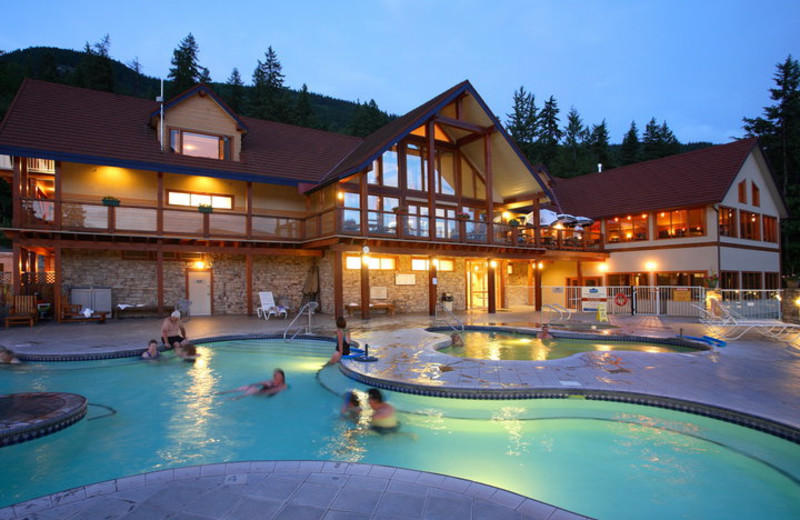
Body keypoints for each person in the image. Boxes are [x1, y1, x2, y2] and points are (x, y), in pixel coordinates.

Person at [220, 369, 287, 399]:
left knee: (252, 390)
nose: (277, 378)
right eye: (275, 376)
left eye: (279, 377)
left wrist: (259, 392)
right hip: (262, 390)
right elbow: (259, 383)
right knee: (247, 387)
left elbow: (272, 391)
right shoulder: (272, 381)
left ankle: (237, 398)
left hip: (263, 394)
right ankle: (227, 392)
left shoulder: (283, 386)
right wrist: (254, 385)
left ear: (282, 377)